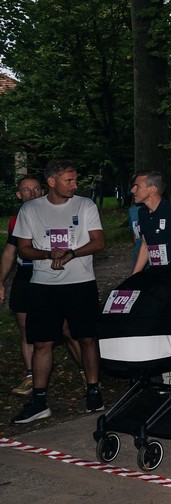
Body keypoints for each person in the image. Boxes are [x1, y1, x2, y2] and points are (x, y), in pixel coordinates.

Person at [11, 160, 105, 423]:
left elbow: (98, 241)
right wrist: (47, 254)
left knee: (86, 338)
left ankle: (93, 391)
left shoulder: (85, 205)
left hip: (81, 283)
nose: (74, 185)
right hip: (43, 286)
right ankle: (39, 400)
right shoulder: (30, 209)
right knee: (42, 342)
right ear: (52, 182)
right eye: (69, 180)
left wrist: (71, 254)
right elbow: (23, 248)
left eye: (75, 180)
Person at [1, 175, 43, 396]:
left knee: (66, 328)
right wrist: (0, 281)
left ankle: (87, 372)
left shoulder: (55, 213)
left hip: (53, 275)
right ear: (19, 195)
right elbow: (9, 252)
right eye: (27, 190)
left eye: (36, 189)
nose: (32, 193)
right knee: (26, 327)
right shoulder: (15, 220)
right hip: (25, 274)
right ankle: (30, 375)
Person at [130, 171, 171, 283]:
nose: (132, 190)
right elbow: (145, 245)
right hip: (154, 275)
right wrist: (134, 277)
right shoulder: (142, 213)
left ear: (152, 190)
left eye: (137, 186)